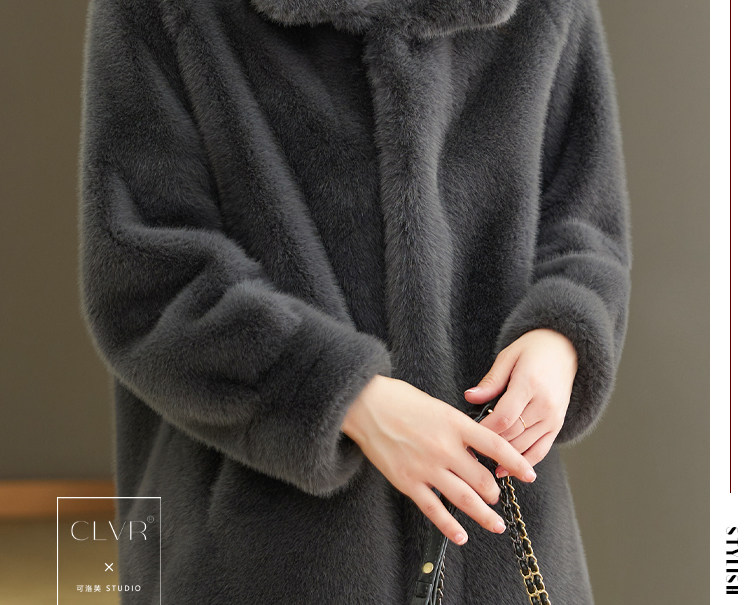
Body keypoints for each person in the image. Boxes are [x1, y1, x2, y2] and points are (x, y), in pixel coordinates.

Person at [77, 0, 632, 603]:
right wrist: (343, 396)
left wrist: (561, 334)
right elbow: (145, 274)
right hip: (257, 555)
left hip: (499, 545)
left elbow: (585, 222)